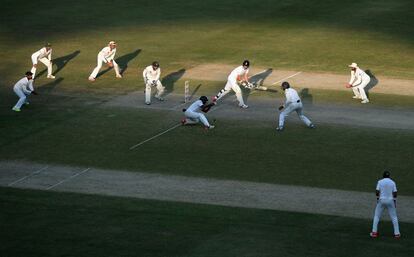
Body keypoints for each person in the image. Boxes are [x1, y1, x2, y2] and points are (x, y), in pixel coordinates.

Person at [370, 171, 400, 238]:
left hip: (382, 200)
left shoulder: (380, 182)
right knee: (394, 217)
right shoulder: (392, 182)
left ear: (383, 176)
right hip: (390, 201)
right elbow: (395, 193)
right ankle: (397, 233)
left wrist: (378, 199)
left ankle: (374, 233)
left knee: (377, 216)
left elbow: (377, 191)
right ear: (389, 176)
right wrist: (394, 201)